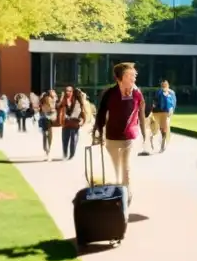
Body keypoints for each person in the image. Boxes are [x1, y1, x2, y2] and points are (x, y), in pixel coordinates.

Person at [93, 62, 145, 200]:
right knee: (117, 168)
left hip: (129, 137)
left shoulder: (137, 94)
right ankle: (120, 191)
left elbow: (141, 113)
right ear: (119, 78)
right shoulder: (109, 94)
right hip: (112, 137)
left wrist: (144, 134)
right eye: (130, 75)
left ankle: (126, 195)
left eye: (134, 75)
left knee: (126, 168)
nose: (133, 78)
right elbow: (101, 114)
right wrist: (98, 132)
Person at [57, 86, 87, 160]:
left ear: (72, 92)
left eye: (69, 91)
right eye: (66, 91)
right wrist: (61, 100)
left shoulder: (77, 100)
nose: (68, 92)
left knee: (74, 140)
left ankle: (72, 155)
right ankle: (65, 154)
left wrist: (79, 119)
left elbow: (80, 110)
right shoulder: (63, 100)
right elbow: (58, 107)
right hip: (65, 123)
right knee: (65, 140)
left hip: (74, 123)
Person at [152, 80, 177, 153]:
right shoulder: (159, 92)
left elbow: (174, 102)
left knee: (165, 128)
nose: (163, 86)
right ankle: (163, 141)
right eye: (162, 85)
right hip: (160, 112)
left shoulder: (171, 92)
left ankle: (163, 145)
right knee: (162, 128)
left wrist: (172, 111)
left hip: (167, 113)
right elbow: (155, 101)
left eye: (165, 84)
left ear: (168, 85)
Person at [39, 90, 58, 160]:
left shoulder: (52, 99)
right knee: (47, 134)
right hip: (46, 117)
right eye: (52, 93)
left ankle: (47, 149)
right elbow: (51, 108)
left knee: (47, 134)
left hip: (48, 118)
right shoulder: (46, 99)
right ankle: (47, 149)